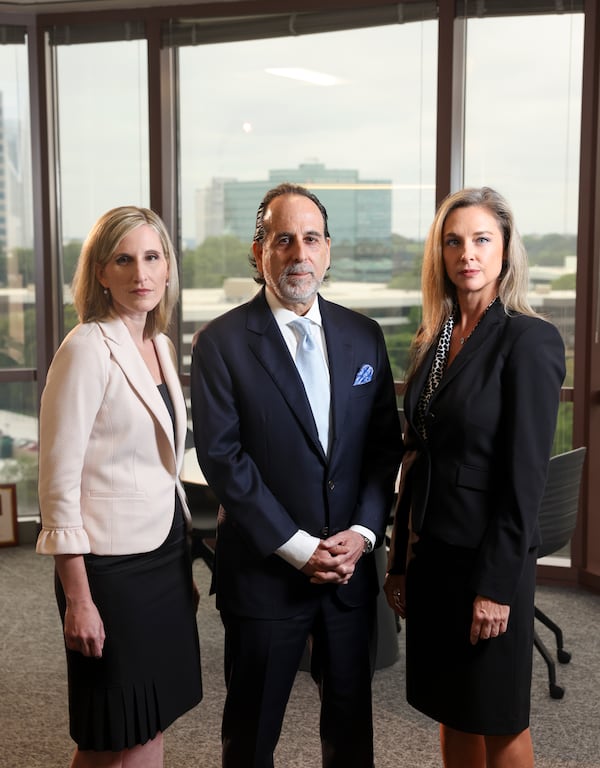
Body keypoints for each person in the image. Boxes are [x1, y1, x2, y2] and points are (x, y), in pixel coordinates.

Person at [190, 182, 402, 768]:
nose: (298, 254)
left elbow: (384, 449)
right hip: (265, 574)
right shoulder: (221, 343)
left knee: (352, 732)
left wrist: (362, 534)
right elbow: (223, 459)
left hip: (350, 571)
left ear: (328, 250)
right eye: (283, 240)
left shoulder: (365, 336)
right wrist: (299, 547)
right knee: (252, 736)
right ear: (260, 252)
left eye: (310, 239)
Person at [384, 186, 566, 768]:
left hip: (487, 563)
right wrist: (401, 560)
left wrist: (496, 586)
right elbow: (420, 455)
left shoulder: (528, 339)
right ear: (440, 254)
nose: (468, 253)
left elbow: (525, 480)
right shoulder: (435, 339)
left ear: (506, 250)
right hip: (433, 553)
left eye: (482, 239)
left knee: (498, 716)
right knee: (452, 707)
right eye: (454, 241)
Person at [36, 206, 202, 768]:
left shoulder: (157, 343)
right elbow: (58, 487)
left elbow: (160, 465)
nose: (141, 274)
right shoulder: (86, 348)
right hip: (108, 572)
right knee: (112, 733)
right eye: (124, 260)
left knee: (150, 720)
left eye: (152, 258)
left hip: (160, 556)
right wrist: (78, 599)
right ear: (100, 273)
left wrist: (182, 564)